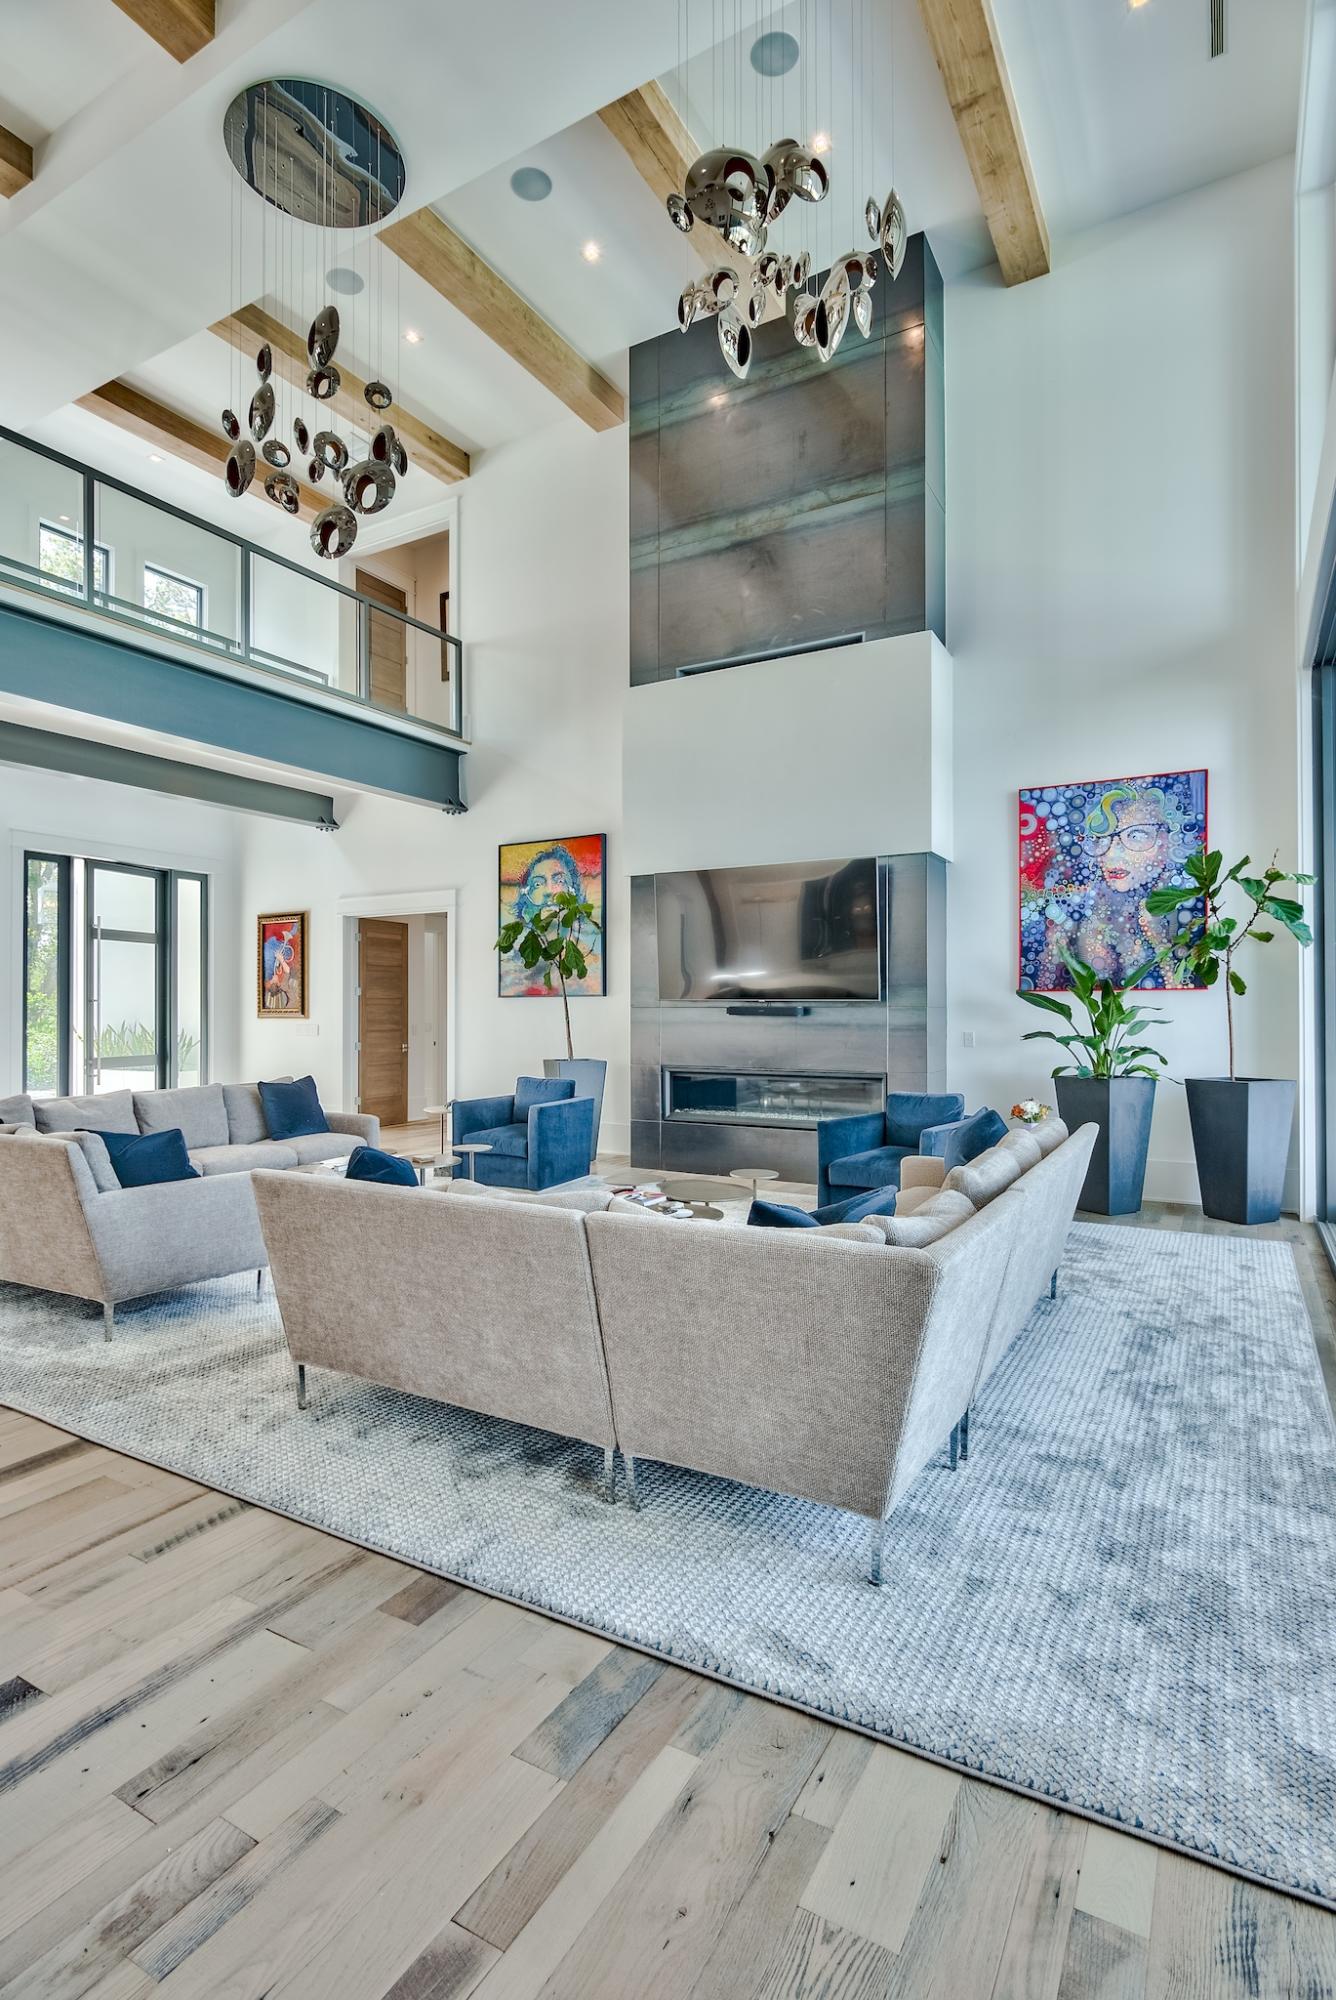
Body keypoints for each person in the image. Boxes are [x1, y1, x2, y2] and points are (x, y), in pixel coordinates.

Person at [1028, 782, 1201, 990]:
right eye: (1102, 839)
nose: (1112, 854)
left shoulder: (1191, 911)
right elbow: (1043, 990)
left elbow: (1188, 997)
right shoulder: (1072, 911)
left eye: (1136, 836)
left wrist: (1159, 940)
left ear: (1169, 840)